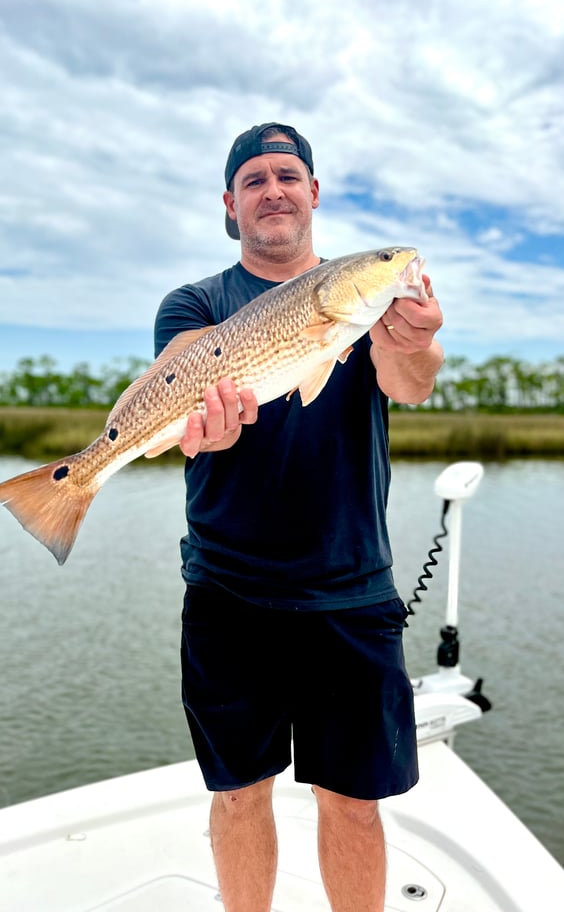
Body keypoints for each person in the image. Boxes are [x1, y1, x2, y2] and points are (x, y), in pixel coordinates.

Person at [154, 123, 444, 912]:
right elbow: (182, 381)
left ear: (314, 193)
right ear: (230, 203)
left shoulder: (365, 299)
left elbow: (410, 380)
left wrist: (415, 338)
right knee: (240, 792)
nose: (273, 188)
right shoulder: (197, 302)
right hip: (227, 591)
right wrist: (198, 426)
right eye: (254, 179)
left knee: (352, 798)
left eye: (289, 174)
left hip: (349, 587)